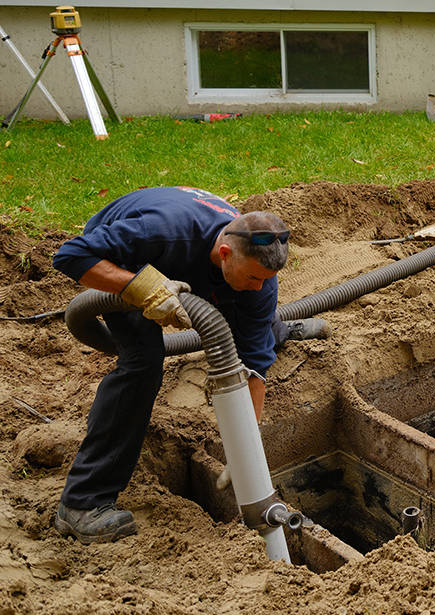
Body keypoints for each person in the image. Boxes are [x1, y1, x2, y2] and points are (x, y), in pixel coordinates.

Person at [51, 186, 330, 544]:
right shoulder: (163, 232)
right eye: (254, 277)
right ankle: (81, 503)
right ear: (226, 253)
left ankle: (275, 328)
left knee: (252, 323)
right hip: (130, 262)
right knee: (143, 363)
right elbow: (71, 255)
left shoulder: (256, 278)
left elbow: (254, 367)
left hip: (200, 268)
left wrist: (247, 444)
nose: (261, 285)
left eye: (266, 279)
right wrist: (144, 289)